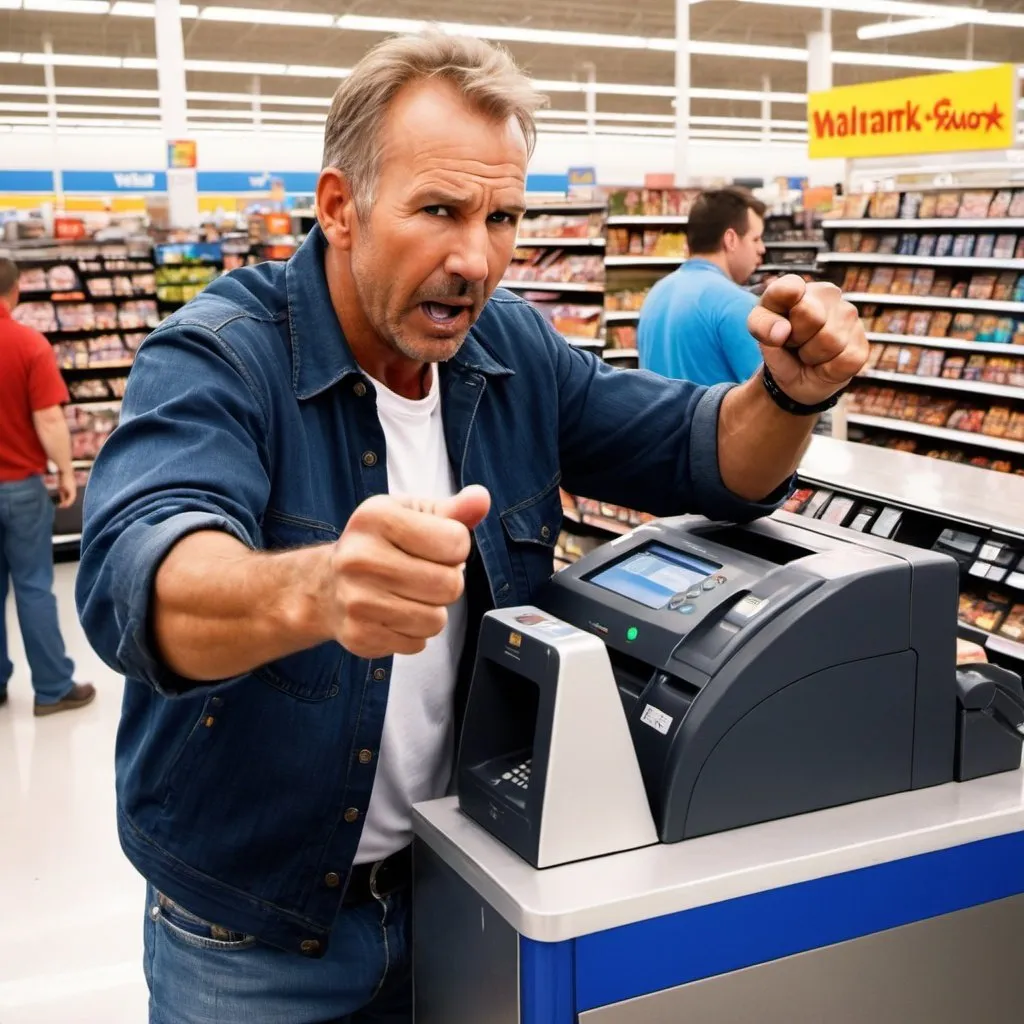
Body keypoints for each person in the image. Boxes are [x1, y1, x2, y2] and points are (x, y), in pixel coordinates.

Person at [76, 31, 867, 1024]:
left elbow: (703, 454)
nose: (476, 257)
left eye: (503, 217)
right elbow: (137, 577)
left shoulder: (513, 350)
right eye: (440, 210)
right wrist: (316, 589)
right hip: (254, 940)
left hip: (463, 895)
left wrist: (787, 395)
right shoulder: (222, 356)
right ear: (339, 209)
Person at [0, 258, 95, 715]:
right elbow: (48, 417)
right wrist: (64, 471)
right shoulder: (28, 344)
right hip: (20, 488)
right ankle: (53, 688)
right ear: (15, 291)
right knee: (35, 586)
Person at [638, 186, 768, 385]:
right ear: (731, 240)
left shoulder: (656, 293)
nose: (762, 248)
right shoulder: (738, 304)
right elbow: (771, 402)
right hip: (713, 417)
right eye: (756, 239)